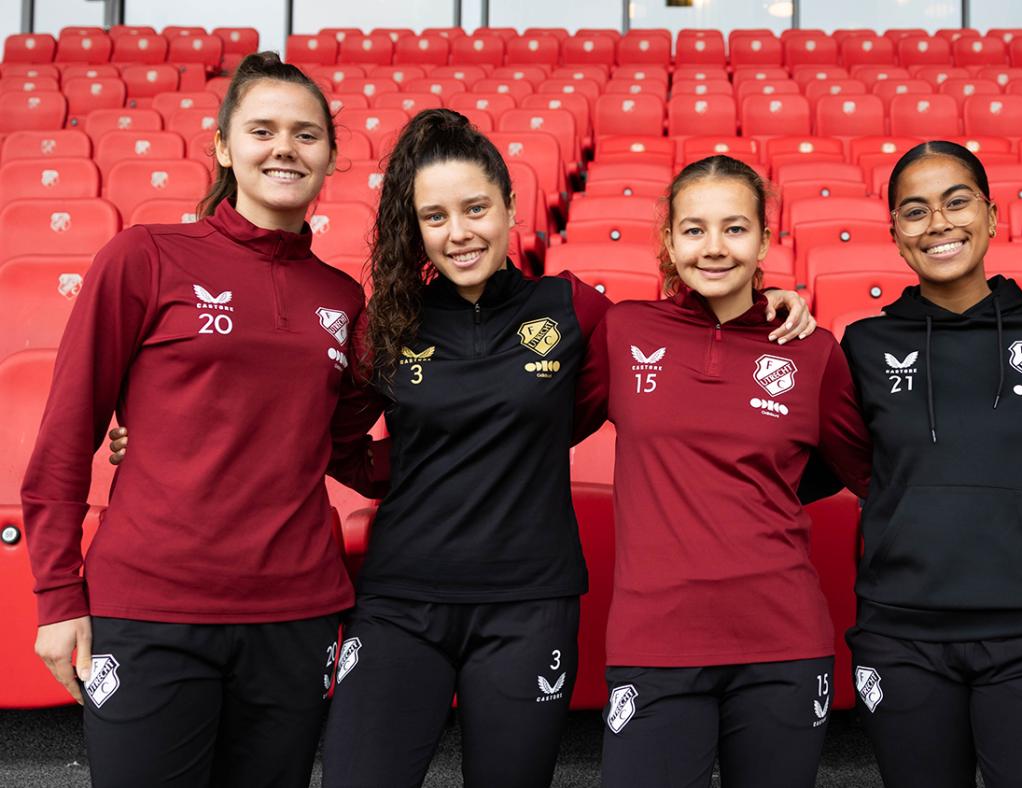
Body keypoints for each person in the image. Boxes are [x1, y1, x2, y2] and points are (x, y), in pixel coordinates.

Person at [241, 109, 813, 787]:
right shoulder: (392, 320)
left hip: (530, 605)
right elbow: (331, 434)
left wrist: (768, 300)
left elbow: (679, 343)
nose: (459, 233)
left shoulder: (568, 307)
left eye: (476, 208)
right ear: (416, 228)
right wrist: (416, 468)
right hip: (402, 600)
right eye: (436, 217)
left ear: (510, 206)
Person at [23, 52, 368, 787]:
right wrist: (57, 597)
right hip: (152, 609)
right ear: (224, 146)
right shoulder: (145, 257)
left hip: (295, 612)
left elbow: (346, 450)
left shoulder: (342, 297)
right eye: (263, 130)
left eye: (307, 135)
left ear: (330, 156)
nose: (285, 149)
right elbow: (67, 433)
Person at [573, 155, 871, 788]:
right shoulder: (623, 332)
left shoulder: (811, 350)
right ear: (669, 240)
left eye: (735, 229)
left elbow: (868, 471)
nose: (714, 248)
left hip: (783, 640)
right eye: (694, 229)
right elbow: (536, 416)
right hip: (654, 641)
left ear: (765, 239)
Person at [838, 141, 1022, 787]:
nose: (939, 224)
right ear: (896, 235)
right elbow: (837, 465)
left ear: (990, 215)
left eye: (956, 203)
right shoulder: (864, 345)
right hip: (902, 636)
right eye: (915, 211)